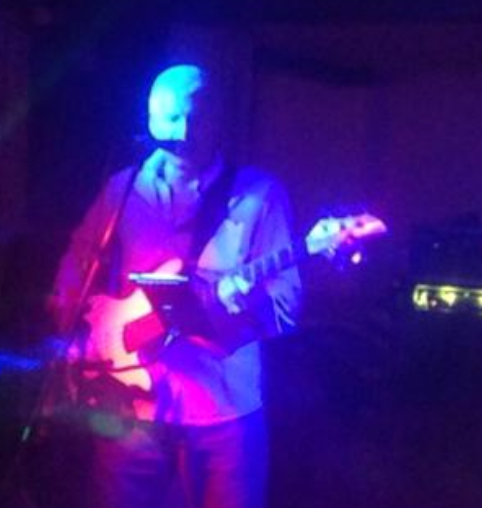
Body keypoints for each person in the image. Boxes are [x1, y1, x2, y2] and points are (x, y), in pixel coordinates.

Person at [49, 64, 302, 508]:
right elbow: (78, 262)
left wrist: (241, 310)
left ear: (219, 118)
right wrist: (78, 337)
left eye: (196, 118)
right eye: (170, 119)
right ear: (149, 120)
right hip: (132, 408)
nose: (183, 133)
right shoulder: (123, 189)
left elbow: (286, 303)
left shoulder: (260, 194)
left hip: (222, 410)